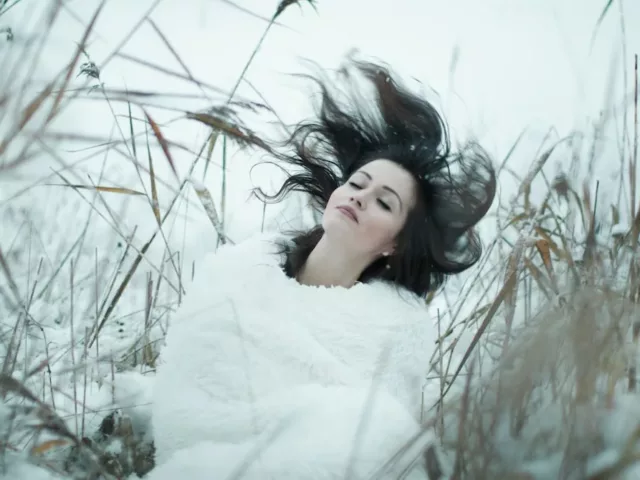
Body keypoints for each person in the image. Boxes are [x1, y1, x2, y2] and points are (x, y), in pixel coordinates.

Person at [148, 57, 496, 480]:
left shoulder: (397, 328)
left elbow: (380, 444)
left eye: (385, 202)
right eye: (357, 183)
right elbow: (185, 400)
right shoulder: (238, 275)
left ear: (395, 243)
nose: (361, 197)